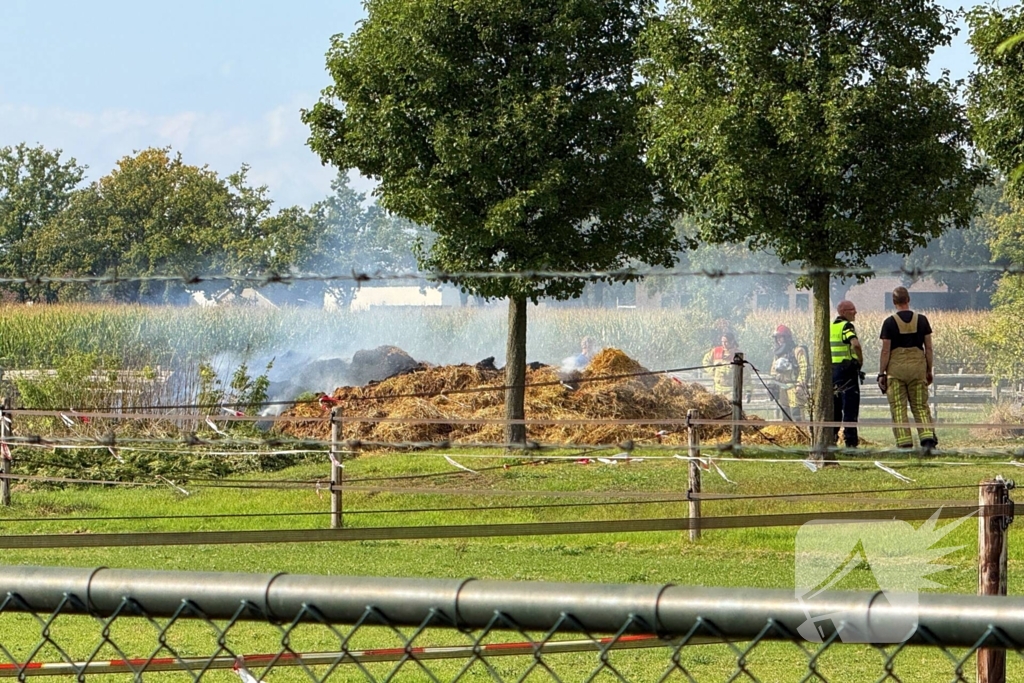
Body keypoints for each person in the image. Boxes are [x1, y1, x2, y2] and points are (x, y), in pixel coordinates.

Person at [878, 287, 937, 450]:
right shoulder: (922, 320)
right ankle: (927, 440)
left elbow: (885, 350)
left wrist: (881, 373)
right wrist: (928, 370)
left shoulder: (889, 322)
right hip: (917, 369)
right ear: (908, 299)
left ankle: (904, 443)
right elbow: (929, 348)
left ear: (894, 302)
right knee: (920, 405)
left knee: (898, 406)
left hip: (896, 370)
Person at [831, 300, 863, 448]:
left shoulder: (831, 327)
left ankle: (832, 438)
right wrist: (859, 361)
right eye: (852, 309)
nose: (855, 312)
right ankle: (850, 441)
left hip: (832, 372)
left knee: (835, 408)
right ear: (843, 312)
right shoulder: (846, 326)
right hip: (847, 371)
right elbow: (855, 344)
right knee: (850, 407)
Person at [769, 325, 809, 421]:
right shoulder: (778, 354)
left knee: (797, 415)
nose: (779, 340)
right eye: (777, 338)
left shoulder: (798, 350)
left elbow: (804, 368)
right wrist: (772, 385)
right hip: (783, 388)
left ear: (787, 337)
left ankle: (800, 435)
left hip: (795, 387)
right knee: (786, 416)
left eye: (781, 337)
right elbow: (774, 370)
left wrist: (800, 385)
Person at [703, 331, 740, 396]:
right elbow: (705, 362)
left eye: (726, 342)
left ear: (732, 341)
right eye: (722, 342)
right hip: (717, 391)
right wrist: (713, 370)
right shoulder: (716, 351)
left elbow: (745, 373)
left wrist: (748, 390)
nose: (724, 344)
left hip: (732, 392)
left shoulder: (738, 354)